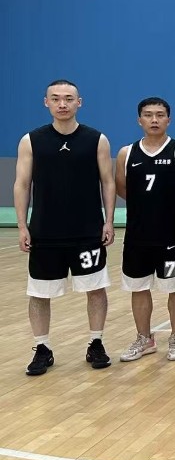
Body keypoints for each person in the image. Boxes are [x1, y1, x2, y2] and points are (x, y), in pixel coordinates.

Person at [15, 79, 116, 375]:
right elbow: (22, 184)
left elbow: (108, 182)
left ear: (79, 103)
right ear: (46, 102)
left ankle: (96, 343)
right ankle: (42, 348)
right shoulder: (31, 140)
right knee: (39, 293)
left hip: (87, 232)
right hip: (45, 232)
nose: (62, 104)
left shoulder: (97, 139)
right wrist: (22, 226)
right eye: (56, 98)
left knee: (95, 289)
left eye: (69, 99)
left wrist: (109, 220)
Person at [116, 97, 175, 362]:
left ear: (168, 120)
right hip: (137, 235)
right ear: (139, 120)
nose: (154, 120)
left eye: (160, 115)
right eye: (148, 115)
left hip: (170, 234)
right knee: (138, 287)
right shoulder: (126, 153)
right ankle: (144, 338)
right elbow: (122, 188)